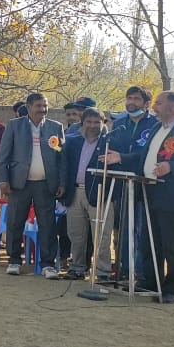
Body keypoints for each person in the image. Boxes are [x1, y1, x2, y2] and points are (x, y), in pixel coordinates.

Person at [105, 90, 174, 302]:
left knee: (173, 243)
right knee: (150, 241)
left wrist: (172, 167)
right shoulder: (157, 127)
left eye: (159, 103)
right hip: (149, 190)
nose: (154, 107)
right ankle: (151, 281)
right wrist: (121, 157)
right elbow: (143, 156)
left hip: (173, 195)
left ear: (173, 106)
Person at [0, 92, 65, 278]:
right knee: (15, 222)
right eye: (38, 106)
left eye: (45, 106)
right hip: (20, 184)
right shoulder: (14, 126)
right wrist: (3, 180)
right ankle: (14, 261)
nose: (42, 110)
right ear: (28, 108)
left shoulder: (55, 127)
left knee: (48, 225)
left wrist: (61, 182)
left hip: (46, 184)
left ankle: (47, 264)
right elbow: (3, 156)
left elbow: (61, 157)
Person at [108, 86, 156, 285]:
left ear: (146, 103)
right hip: (122, 183)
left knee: (142, 229)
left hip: (146, 184)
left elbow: (148, 153)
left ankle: (142, 273)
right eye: (129, 98)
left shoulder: (155, 124)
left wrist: (123, 157)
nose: (131, 102)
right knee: (125, 229)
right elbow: (113, 149)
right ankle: (127, 271)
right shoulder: (120, 123)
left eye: (136, 98)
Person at [60, 107, 113, 280]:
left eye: (97, 122)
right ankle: (77, 267)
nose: (92, 125)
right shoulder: (71, 141)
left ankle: (103, 272)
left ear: (103, 123)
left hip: (100, 193)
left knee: (101, 235)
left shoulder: (109, 142)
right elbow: (64, 166)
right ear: (82, 123)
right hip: (75, 192)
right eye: (89, 122)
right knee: (76, 234)